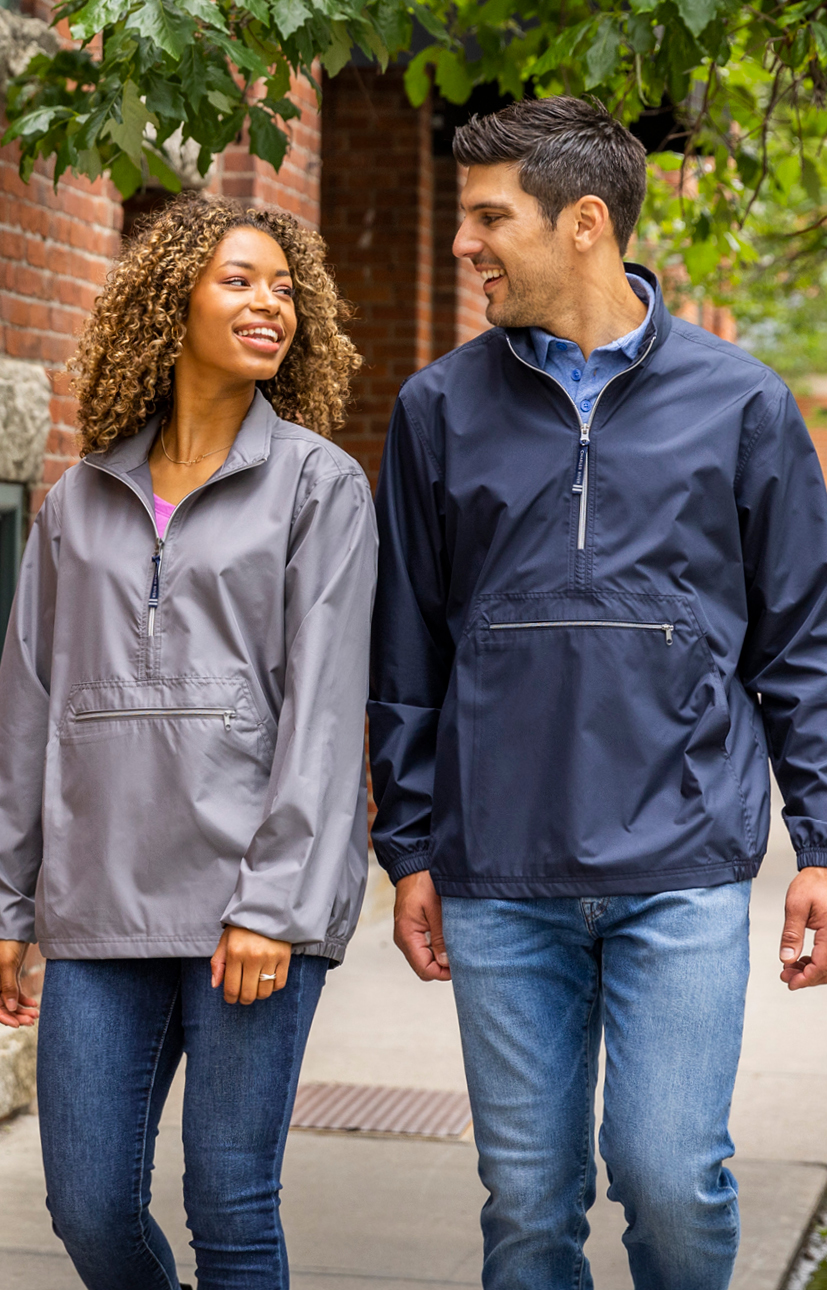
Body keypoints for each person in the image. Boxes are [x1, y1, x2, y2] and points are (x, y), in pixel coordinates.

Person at [368, 96, 827, 1290]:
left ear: (582, 223)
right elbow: (407, 648)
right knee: (525, 1203)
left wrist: (821, 842)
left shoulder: (741, 404)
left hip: (678, 866)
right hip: (498, 875)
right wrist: (409, 845)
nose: (464, 243)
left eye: (485, 217)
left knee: (670, 1180)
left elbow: (798, 643)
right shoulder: (434, 411)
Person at [0, 192, 377, 1290]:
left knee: (231, 1209)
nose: (274, 303)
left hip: (247, 916)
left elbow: (322, 710)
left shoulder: (320, 485)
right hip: (98, 900)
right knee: (87, 1211)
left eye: (285, 287)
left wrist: (273, 903)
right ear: (170, 305)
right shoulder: (76, 501)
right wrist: (11, 908)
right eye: (241, 281)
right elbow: (29, 708)